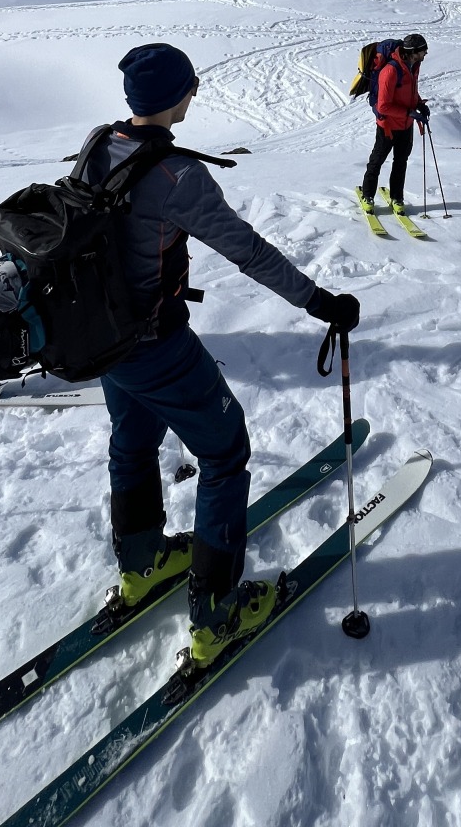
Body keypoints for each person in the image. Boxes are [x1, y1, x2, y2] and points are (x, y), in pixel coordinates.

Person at [84, 43, 359, 668]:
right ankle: (216, 615)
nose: (197, 90)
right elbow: (248, 251)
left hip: (102, 337)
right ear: (175, 95)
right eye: (191, 84)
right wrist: (319, 301)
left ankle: (142, 564)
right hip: (154, 342)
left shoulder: (100, 143)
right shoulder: (178, 175)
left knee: (131, 443)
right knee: (225, 449)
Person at [360, 33, 430, 209]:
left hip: (406, 125)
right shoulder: (390, 71)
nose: (425, 54)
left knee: (401, 161)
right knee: (377, 160)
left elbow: (410, 91)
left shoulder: (414, 65)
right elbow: (383, 106)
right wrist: (409, 113)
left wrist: (419, 104)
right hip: (388, 126)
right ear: (413, 51)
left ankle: (397, 197)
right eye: (423, 51)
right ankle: (367, 195)